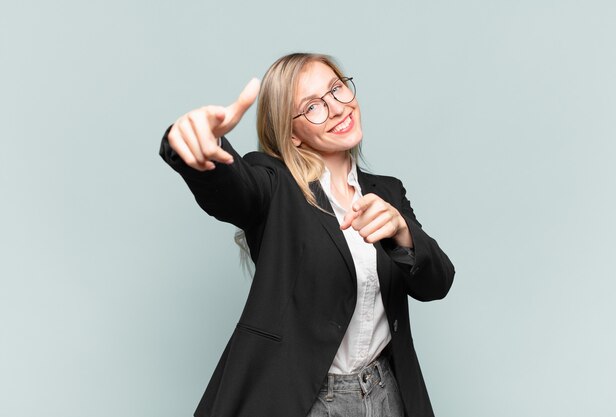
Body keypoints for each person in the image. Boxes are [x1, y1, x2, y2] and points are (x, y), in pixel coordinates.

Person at [159, 52, 455, 417]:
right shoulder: (274, 184)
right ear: (293, 134)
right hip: (306, 401)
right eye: (312, 106)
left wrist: (403, 232)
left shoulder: (388, 191)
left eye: (336, 90)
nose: (335, 108)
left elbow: (437, 283)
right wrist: (200, 148)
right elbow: (235, 188)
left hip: (386, 394)